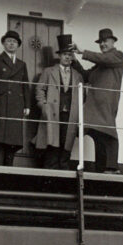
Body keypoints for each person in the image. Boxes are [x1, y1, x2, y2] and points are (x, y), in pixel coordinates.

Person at [74, 27, 123, 173]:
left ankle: (112, 167)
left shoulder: (118, 56)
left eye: (105, 41)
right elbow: (86, 76)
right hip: (94, 106)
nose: (102, 44)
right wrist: (74, 60)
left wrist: (83, 52)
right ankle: (101, 168)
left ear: (113, 41)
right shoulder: (100, 64)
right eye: (100, 42)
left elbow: (105, 58)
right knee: (98, 135)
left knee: (108, 133)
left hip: (106, 105)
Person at [34, 35, 82, 169]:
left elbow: (82, 96)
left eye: (70, 55)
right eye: (65, 54)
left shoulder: (78, 76)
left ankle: (63, 184)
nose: (67, 57)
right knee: (52, 148)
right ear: (59, 56)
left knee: (66, 149)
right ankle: (49, 183)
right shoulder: (49, 71)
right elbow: (39, 89)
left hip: (70, 116)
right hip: (52, 114)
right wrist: (43, 106)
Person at [0, 30, 31, 166]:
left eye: (14, 42)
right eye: (9, 41)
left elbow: (25, 85)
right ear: (4, 43)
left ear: (18, 45)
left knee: (12, 143)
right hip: (0, 104)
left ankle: (8, 175)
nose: (11, 44)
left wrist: (27, 105)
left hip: (16, 106)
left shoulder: (22, 64)